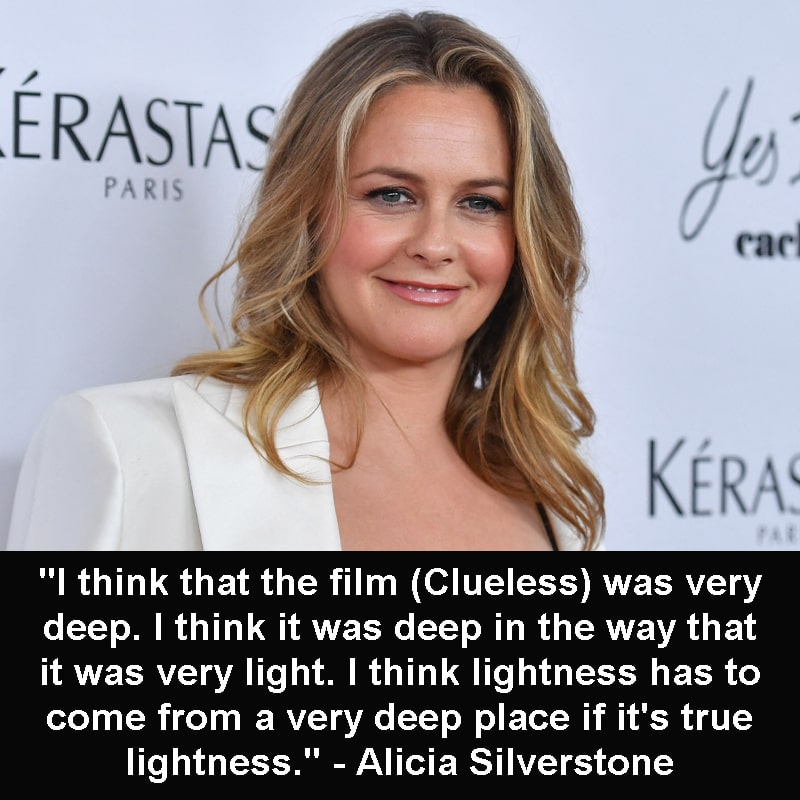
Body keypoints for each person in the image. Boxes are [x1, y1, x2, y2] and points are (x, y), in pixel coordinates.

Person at [7, 10, 604, 551]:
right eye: (391, 195)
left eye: (480, 203)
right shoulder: (127, 447)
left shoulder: (550, 481)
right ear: (307, 210)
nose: (435, 245)